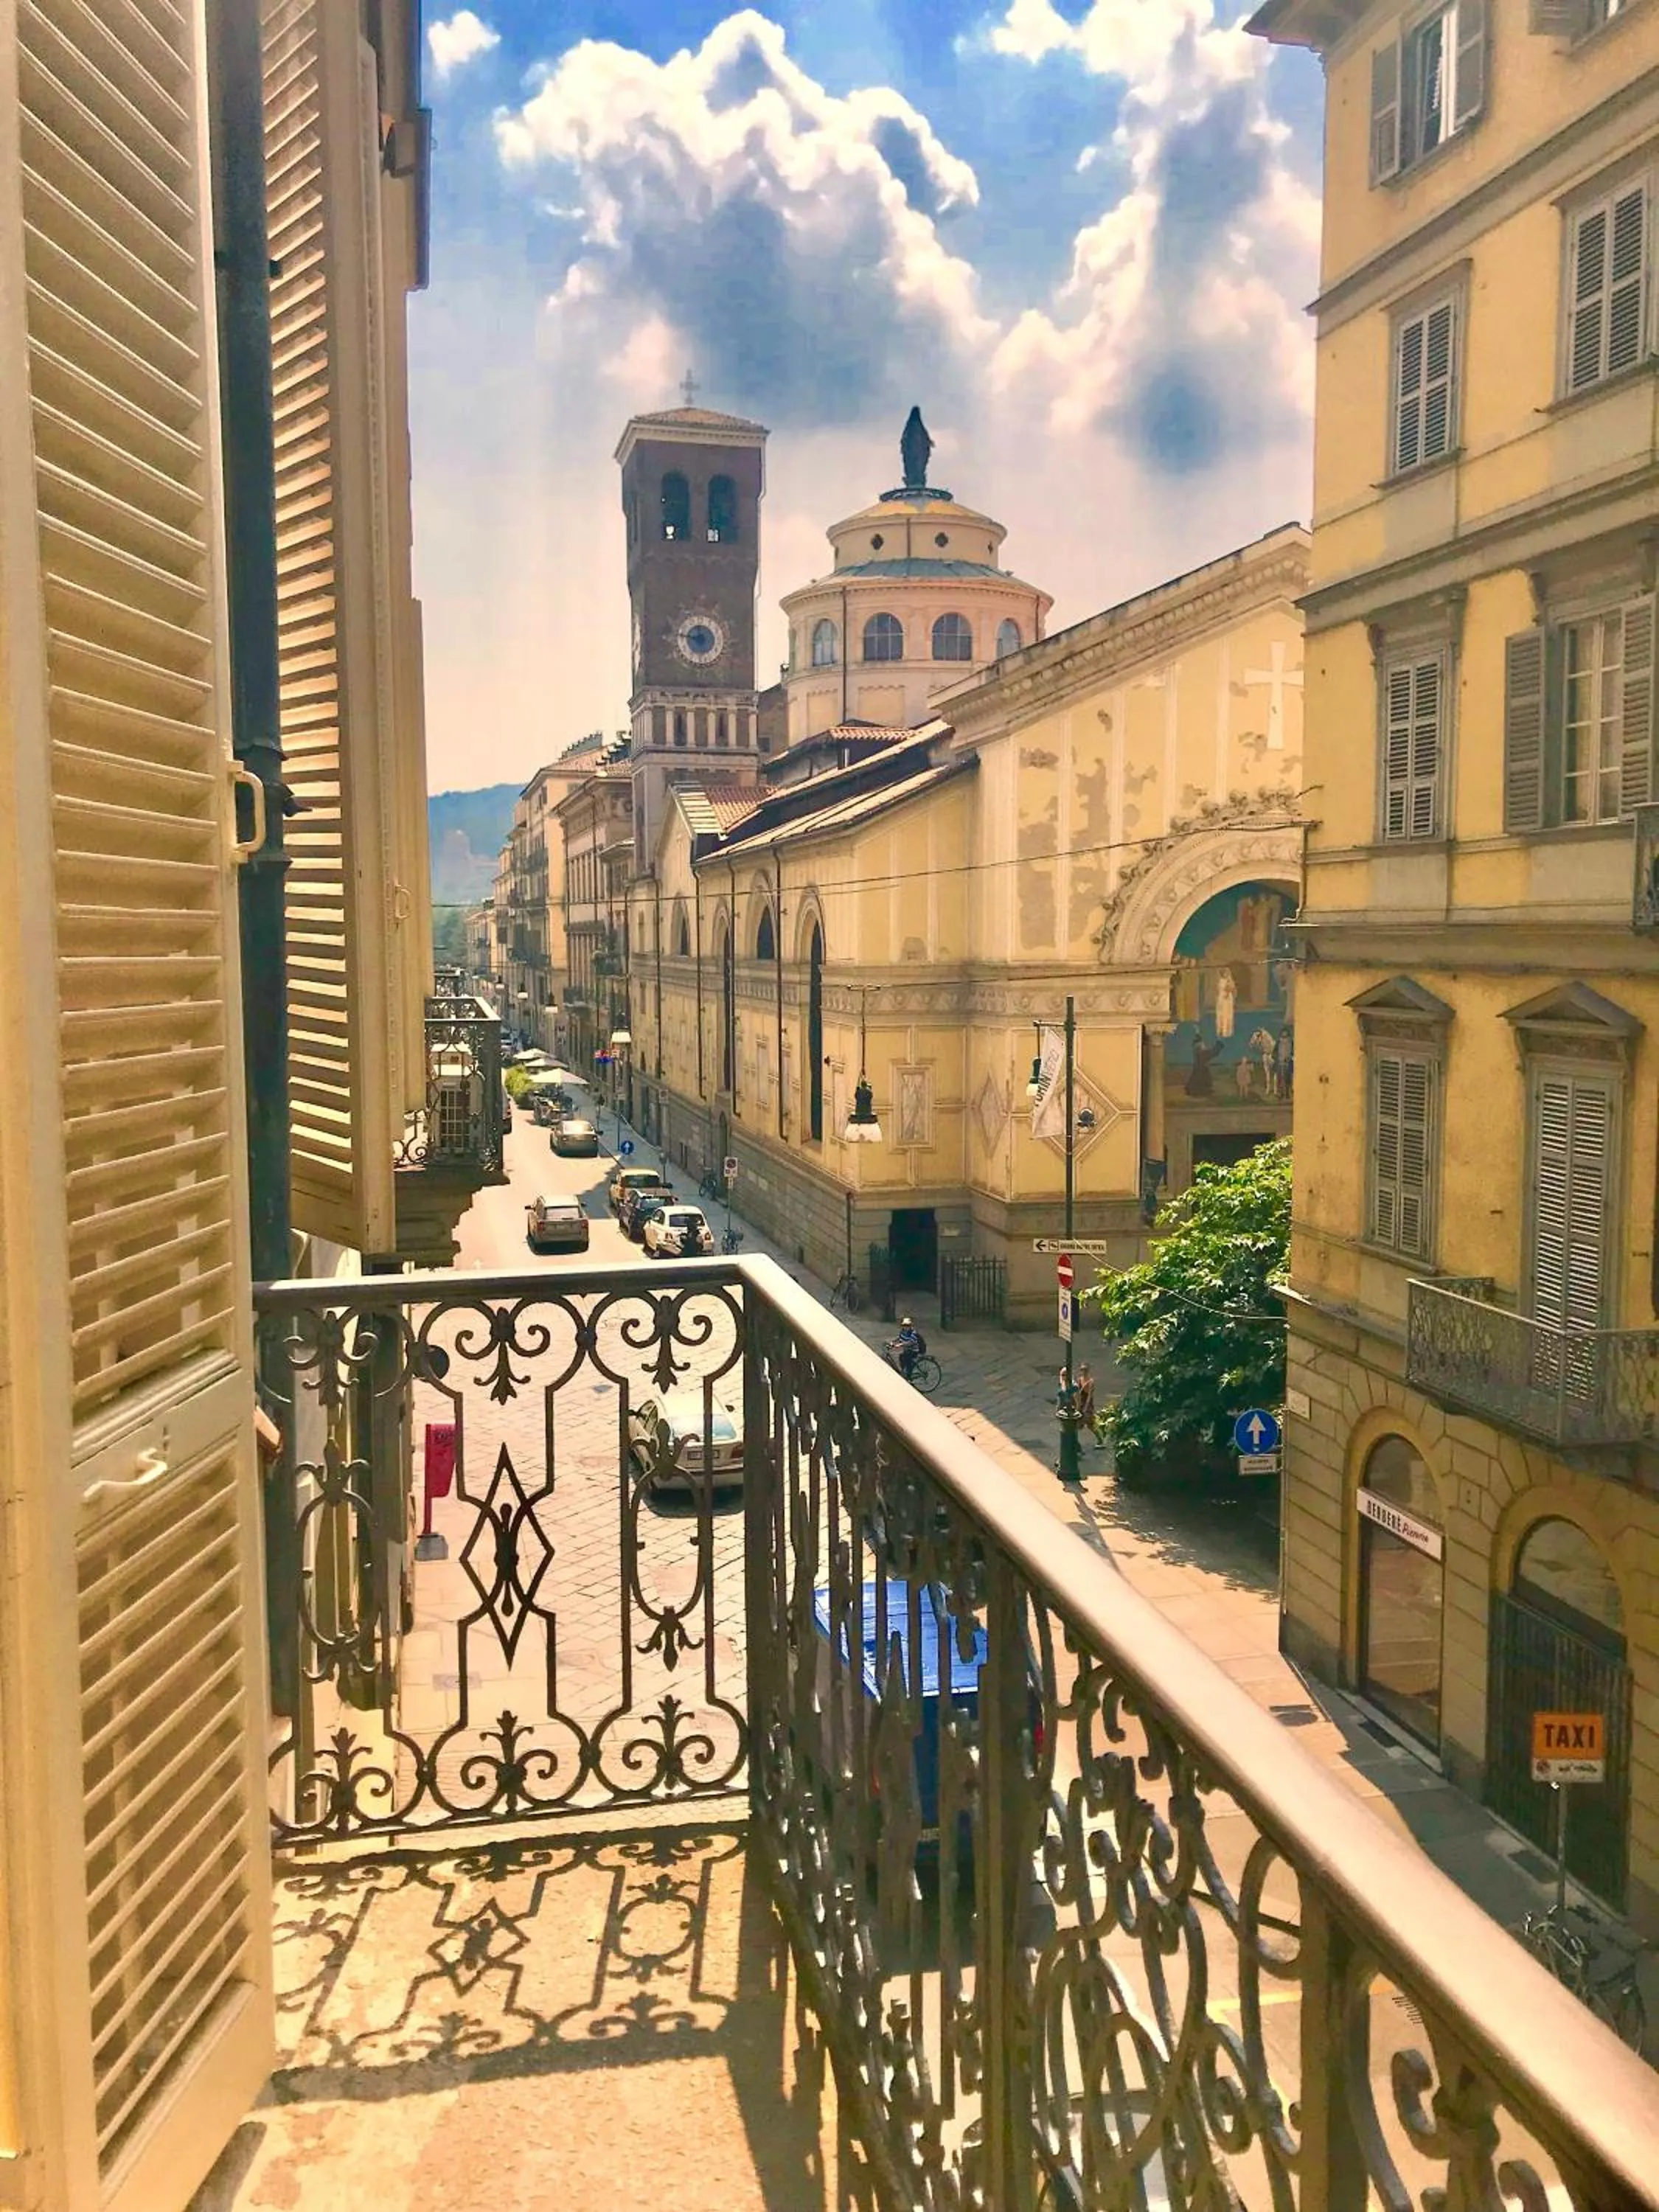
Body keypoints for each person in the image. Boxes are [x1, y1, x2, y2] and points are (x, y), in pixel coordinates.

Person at [891, 1315, 925, 1380]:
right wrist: (892, 1341)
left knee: (907, 1359)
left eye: (908, 1326)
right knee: (901, 1357)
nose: (906, 1327)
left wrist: (900, 1345)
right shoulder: (903, 1332)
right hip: (907, 1350)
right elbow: (899, 1337)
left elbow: (911, 1342)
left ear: (911, 1326)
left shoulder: (913, 1333)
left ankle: (909, 1377)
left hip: (914, 1351)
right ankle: (904, 1371)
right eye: (905, 1326)